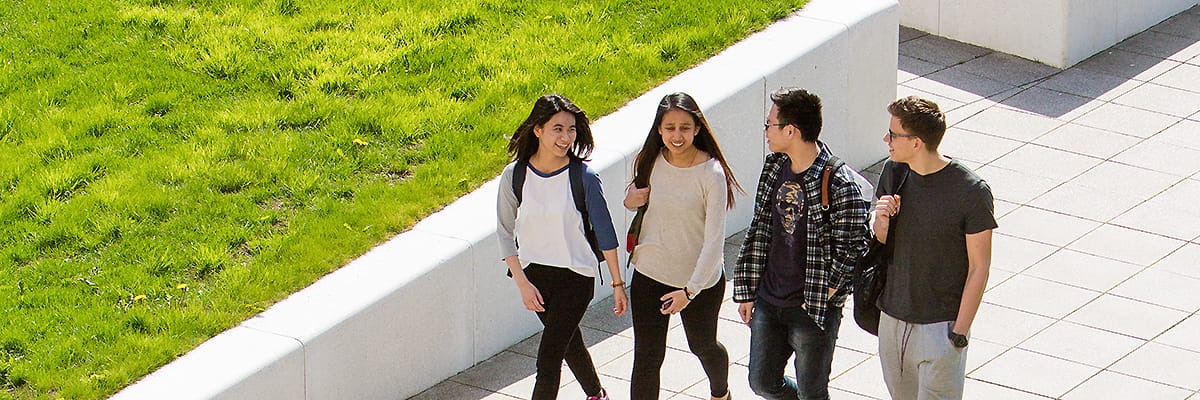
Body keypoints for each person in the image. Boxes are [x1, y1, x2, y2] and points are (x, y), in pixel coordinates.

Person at [733, 88, 870, 400]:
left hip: (812, 307)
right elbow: (762, 231)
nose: (766, 131)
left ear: (791, 130)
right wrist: (749, 290)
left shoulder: (839, 183)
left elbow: (854, 248)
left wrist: (826, 293)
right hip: (769, 299)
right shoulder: (774, 167)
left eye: (770, 124)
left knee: (812, 392)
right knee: (762, 382)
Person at [496, 94, 628, 400]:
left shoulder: (584, 177)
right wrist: (522, 283)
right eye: (557, 129)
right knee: (569, 343)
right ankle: (597, 395)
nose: (566, 137)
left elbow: (605, 233)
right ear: (538, 130)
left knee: (549, 357)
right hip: (535, 277)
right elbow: (504, 233)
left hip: (576, 277)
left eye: (571, 130)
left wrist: (617, 284)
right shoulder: (515, 175)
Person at [873, 96, 996, 400]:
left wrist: (959, 334)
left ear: (916, 143)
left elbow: (980, 267)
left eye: (893, 134)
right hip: (893, 319)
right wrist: (882, 222)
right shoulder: (894, 173)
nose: (886, 140)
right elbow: (881, 242)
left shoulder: (971, 191)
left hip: (940, 327)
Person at [623, 92, 742, 400]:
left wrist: (689, 292)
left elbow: (714, 243)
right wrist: (629, 200)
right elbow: (636, 198)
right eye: (670, 128)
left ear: (697, 129)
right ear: (659, 130)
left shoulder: (712, 174)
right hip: (650, 274)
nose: (677, 135)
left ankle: (721, 393)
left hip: (698, 282)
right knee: (647, 357)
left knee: (703, 345)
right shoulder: (650, 160)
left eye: (685, 128)